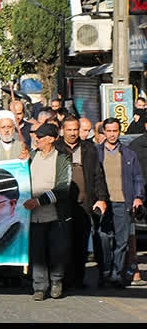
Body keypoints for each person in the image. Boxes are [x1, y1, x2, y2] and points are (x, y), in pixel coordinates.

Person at [55, 116, 109, 290]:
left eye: (75, 129)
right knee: (63, 243)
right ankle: (62, 278)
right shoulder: (56, 148)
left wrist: (101, 198)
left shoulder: (89, 148)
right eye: (69, 129)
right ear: (63, 130)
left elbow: (97, 175)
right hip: (62, 204)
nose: (72, 133)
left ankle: (78, 278)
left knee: (80, 243)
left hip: (84, 204)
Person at [23, 123, 71, 301]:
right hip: (34, 217)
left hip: (55, 215)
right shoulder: (32, 156)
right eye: (36, 136)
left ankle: (57, 282)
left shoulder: (62, 159)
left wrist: (39, 200)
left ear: (51, 139)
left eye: (41, 137)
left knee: (56, 251)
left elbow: (62, 188)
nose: (37, 139)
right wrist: (22, 162)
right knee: (37, 252)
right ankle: (39, 287)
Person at [95, 117, 145, 288]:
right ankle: (105, 272)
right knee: (103, 238)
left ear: (119, 132)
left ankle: (116, 275)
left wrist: (138, 197)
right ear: (104, 132)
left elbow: (138, 177)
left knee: (122, 241)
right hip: (103, 203)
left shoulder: (129, 154)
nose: (112, 134)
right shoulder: (96, 153)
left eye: (115, 131)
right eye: (108, 131)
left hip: (123, 202)